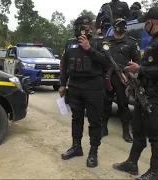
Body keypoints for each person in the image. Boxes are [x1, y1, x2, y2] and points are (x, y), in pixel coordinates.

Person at [113, 7, 158, 180]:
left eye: (145, 22)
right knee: (138, 129)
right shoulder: (156, 39)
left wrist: (140, 68)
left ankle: (155, 172)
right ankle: (132, 163)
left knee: (155, 134)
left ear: (150, 22)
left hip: (156, 95)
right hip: (143, 93)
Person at [59, 15, 109, 168]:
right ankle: (76, 147)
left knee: (95, 122)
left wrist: (89, 49)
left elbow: (107, 62)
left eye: (84, 27)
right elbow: (64, 65)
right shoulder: (70, 44)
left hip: (93, 88)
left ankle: (93, 152)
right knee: (76, 119)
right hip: (74, 87)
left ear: (91, 29)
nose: (80, 30)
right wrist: (62, 84)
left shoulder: (100, 43)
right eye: (78, 27)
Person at [102, 18, 141, 143]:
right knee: (105, 103)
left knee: (123, 105)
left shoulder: (131, 43)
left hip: (122, 78)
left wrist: (130, 75)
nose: (122, 27)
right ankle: (103, 128)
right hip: (106, 77)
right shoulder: (105, 41)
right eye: (119, 25)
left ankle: (126, 131)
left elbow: (137, 62)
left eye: (124, 25)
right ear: (114, 27)